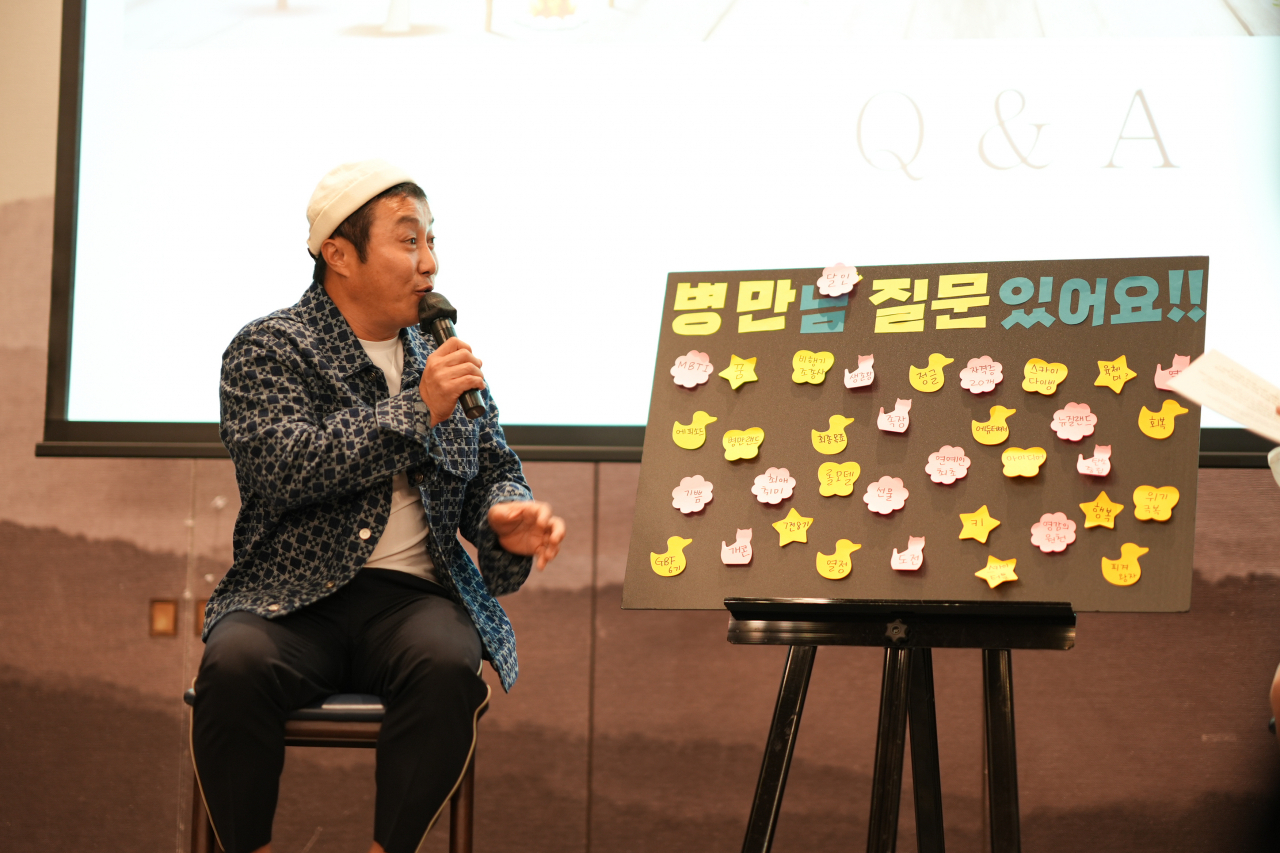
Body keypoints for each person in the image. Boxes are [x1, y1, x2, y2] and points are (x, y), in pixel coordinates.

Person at [191, 159, 565, 853]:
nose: (430, 263)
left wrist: (508, 516)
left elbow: (494, 471)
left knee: (450, 662)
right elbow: (285, 466)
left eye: (431, 242)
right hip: (288, 598)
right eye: (409, 241)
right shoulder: (269, 347)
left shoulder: (444, 353)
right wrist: (415, 408)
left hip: (410, 600)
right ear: (338, 253)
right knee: (234, 664)